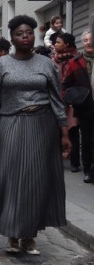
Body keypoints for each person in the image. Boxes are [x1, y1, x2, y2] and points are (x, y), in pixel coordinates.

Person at [0, 15, 71, 255]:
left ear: (34, 35)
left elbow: (57, 101)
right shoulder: (0, 66)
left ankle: (29, 236)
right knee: (12, 177)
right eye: (19, 33)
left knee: (36, 180)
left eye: (28, 33)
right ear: (12, 38)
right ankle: (12, 234)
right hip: (11, 124)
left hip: (42, 125)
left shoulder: (47, 65)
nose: (25, 37)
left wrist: (64, 133)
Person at [62, 30, 94, 183]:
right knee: (87, 140)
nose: (88, 42)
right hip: (85, 107)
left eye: (91, 39)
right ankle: (88, 171)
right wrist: (69, 99)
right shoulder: (75, 61)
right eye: (85, 40)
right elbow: (66, 84)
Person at [52, 33, 81, 173]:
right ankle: (57, 162)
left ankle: (75, 163)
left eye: (58, 42)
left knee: (73, 130)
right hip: (58, 101)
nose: (55, 44)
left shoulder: (77, 58)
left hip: (73, 100)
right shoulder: (53, 60)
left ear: (67, 45)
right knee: (57, 131)